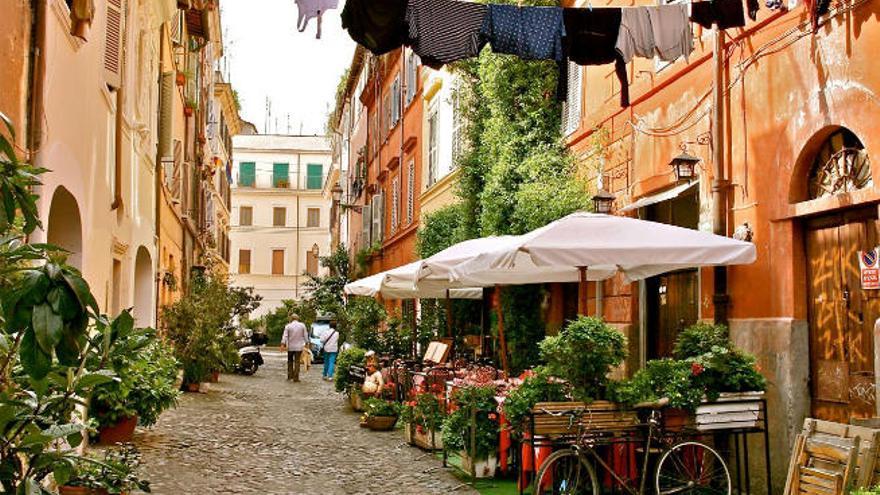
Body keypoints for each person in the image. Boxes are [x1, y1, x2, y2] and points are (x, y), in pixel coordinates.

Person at [280, 314, 309, 382]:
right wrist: (307, 343)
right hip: (299, 347)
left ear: (291, 319)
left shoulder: (288, 326)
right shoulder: (302, 325)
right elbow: (305, 335)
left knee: (290, 361)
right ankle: (296, 377)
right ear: (298, 319)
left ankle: (290, 376)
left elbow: (285, 336)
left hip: (290, 347)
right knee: (297, 361)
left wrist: (282, 344)